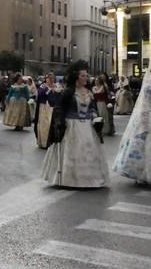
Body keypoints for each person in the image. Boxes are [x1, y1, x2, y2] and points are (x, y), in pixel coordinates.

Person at [41, 60, 110, 188]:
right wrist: (60, 123)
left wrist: (95, 116)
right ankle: (69, 179)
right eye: (83, 75)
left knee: (88, 151)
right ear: (76, 77)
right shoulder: (69, 92)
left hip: (87, 127)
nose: (86, 78)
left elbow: (92, 107)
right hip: (72, 126)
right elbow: (59, 108)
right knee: (72, 151)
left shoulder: (89, 92)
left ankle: (89, 179)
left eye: (86, 75)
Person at [33, 73, 59, 149]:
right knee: (44, 125)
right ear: (46, 79)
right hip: (44, 108)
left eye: (52, 78)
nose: (51, 80)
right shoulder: (43, 86)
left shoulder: (57, 86)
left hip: (53, 108)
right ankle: (44, 142)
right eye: (49, 78)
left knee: (52, 125)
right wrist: (48, 89)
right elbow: (40, 94)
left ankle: (51, 141)